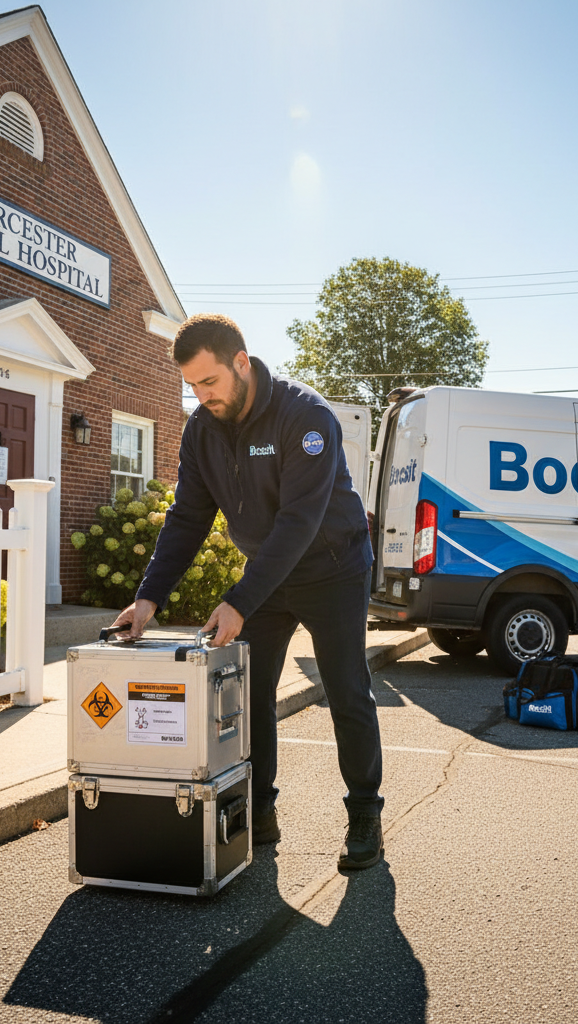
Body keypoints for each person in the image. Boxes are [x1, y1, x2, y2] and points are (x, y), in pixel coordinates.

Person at [109, 313, 384, 870]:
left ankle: (364, 815)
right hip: (268, 573)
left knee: (347, 692)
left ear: (241, 362)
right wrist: (148, 598)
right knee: (249, 697)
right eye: (192, 386)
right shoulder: (201, 430)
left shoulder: (305, 417)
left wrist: (238, 600)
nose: (202, 396)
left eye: (209, 382)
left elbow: (299, 522)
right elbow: (187, 517)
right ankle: (260, 812)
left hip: (332, 568)